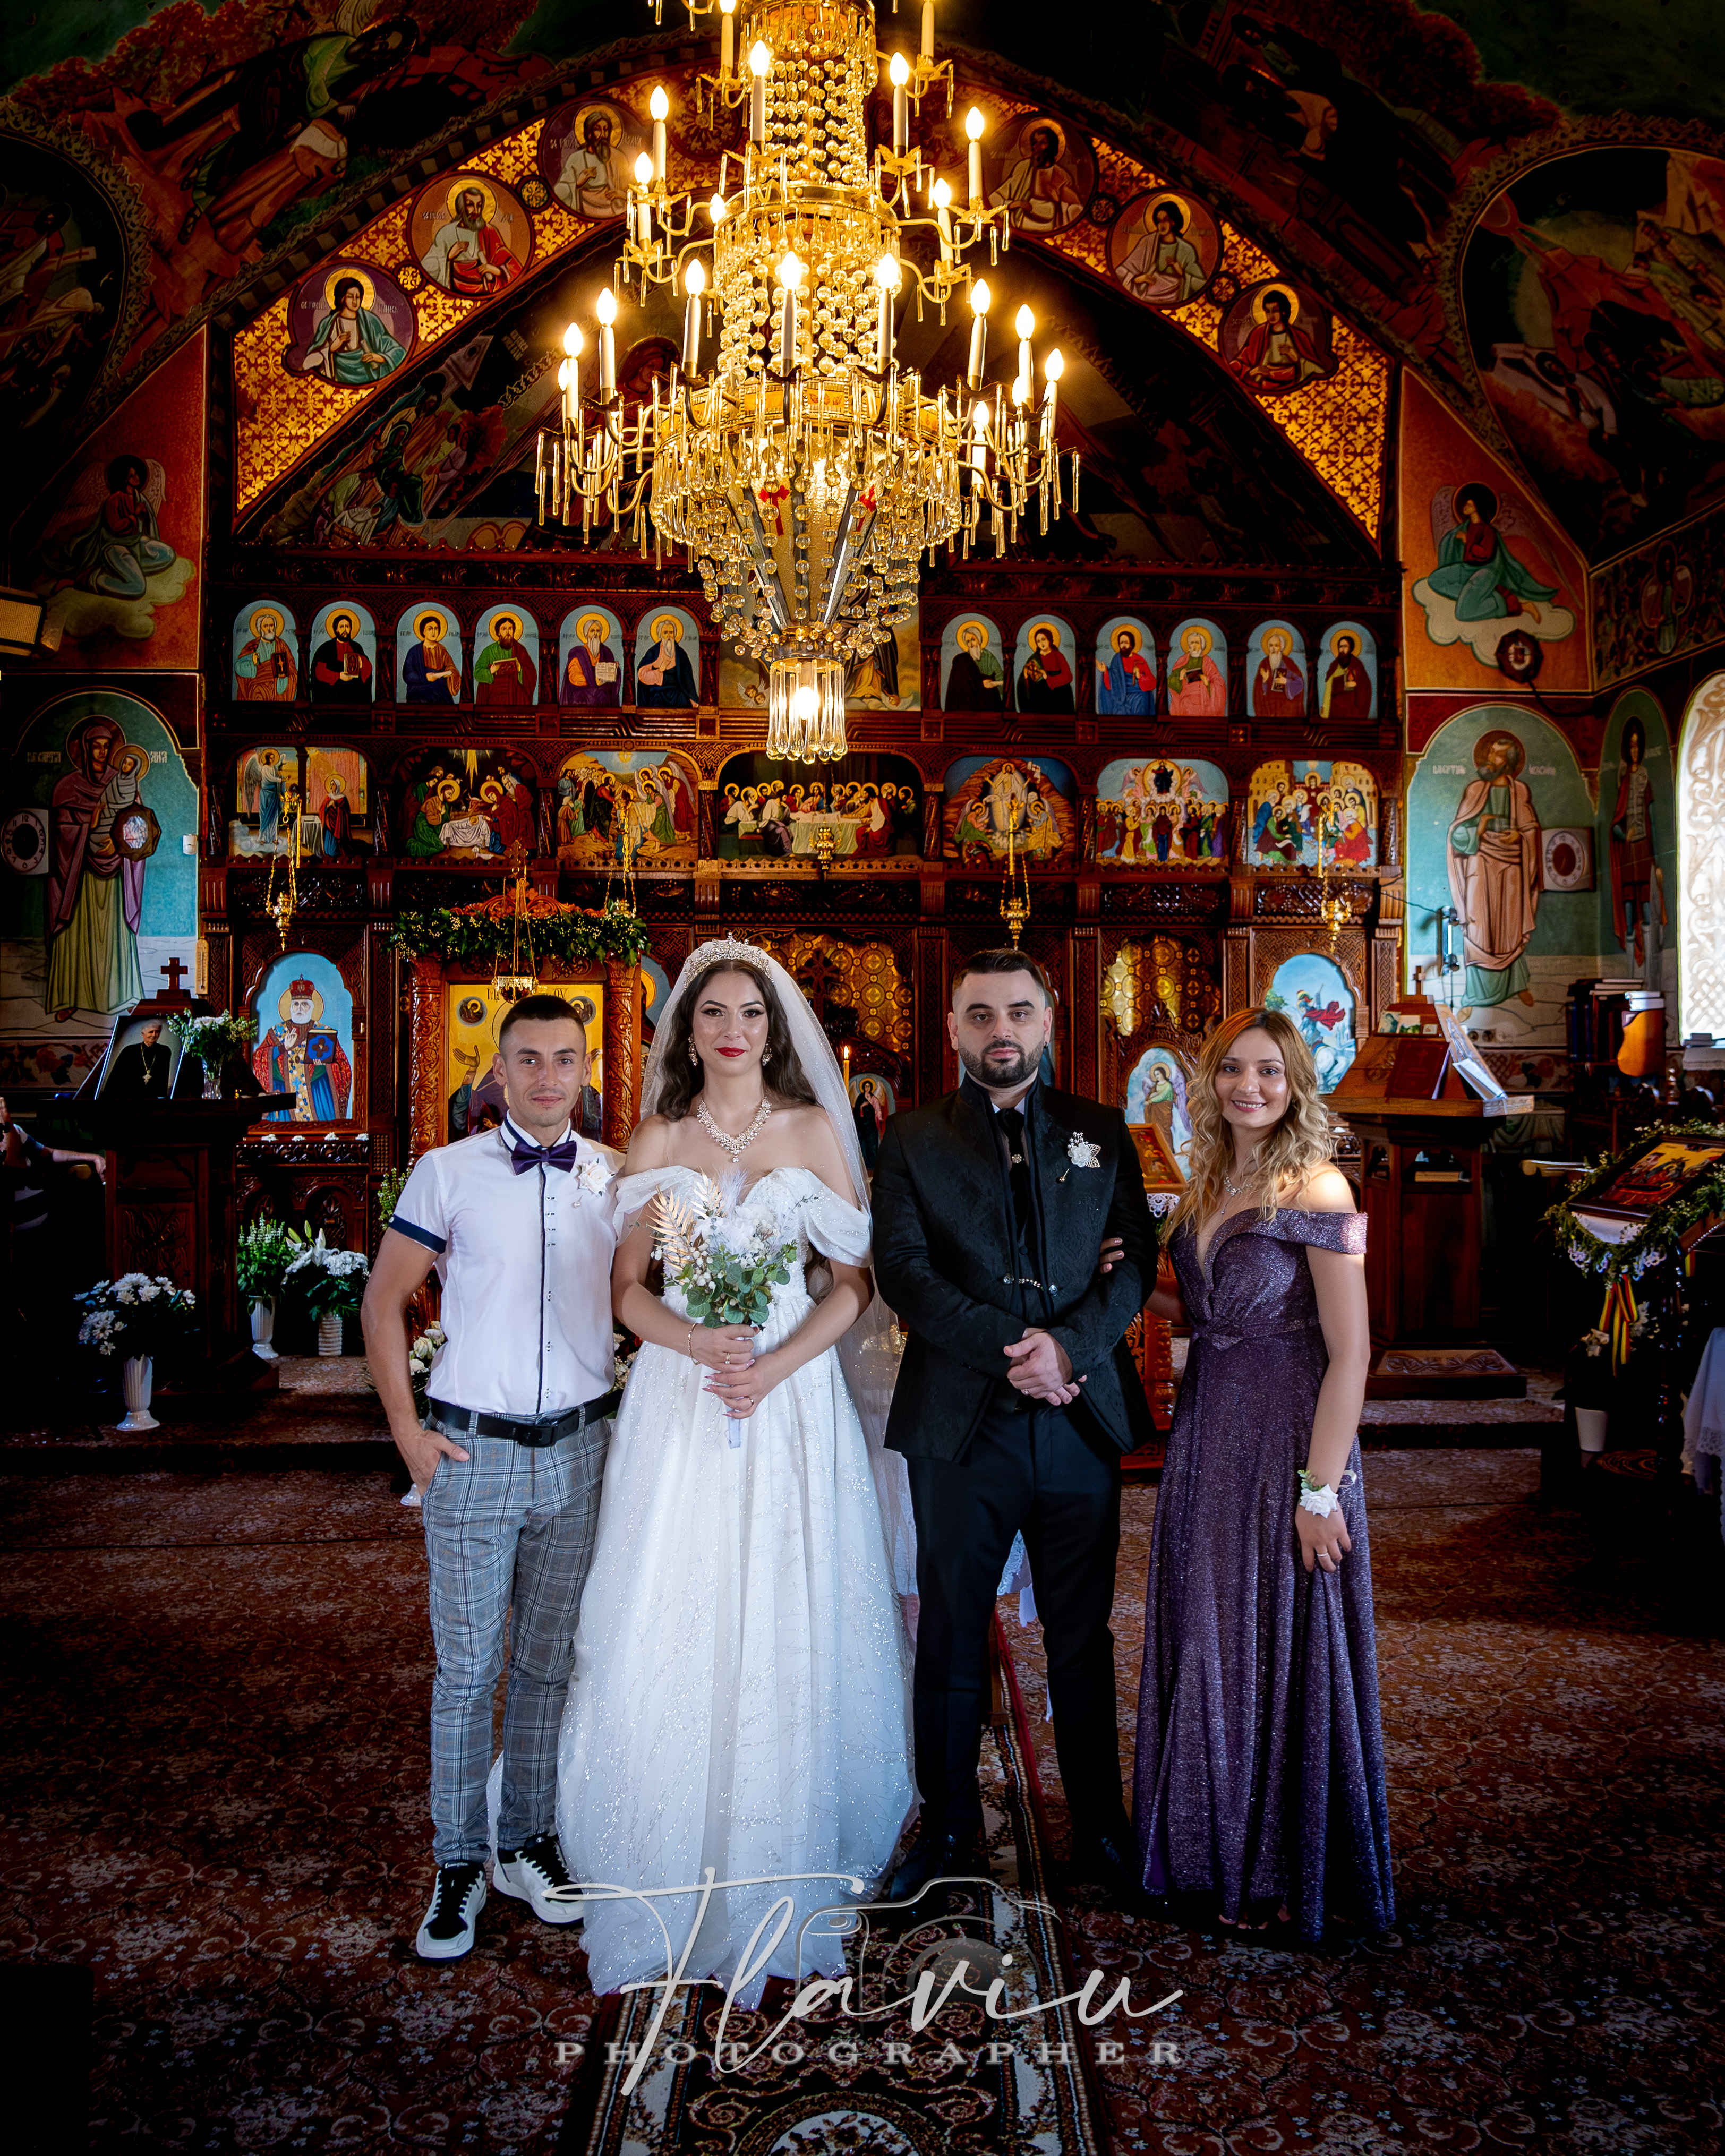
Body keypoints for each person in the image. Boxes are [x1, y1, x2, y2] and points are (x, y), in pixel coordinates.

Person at [557, 939, 915, 2006]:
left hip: (789, 1394)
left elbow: (853, 1282)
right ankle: (672, 1841)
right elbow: (626, 1285)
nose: (731, 1029)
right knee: (680, 1598)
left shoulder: (810, 1129)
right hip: (684, 1394)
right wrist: (691, 1341)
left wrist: (774, 1365)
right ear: (686, 1028)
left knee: (783, 1596)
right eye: (711, 1011)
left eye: (749, 1013)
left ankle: (779, 1839)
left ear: (773, 1028)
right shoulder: (658, 1137)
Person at [871, 951, 1156, 1907]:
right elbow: (905, 1273)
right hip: (962, 1424)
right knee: (952, 1629)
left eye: (1020, 1011)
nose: (1003, 1029)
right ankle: (949, 1829)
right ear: (953, 1027)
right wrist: (1016, 1352)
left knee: (1081, 1634)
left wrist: (1068, 1350)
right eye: (982, 1012)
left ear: (1048, 1019)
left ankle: (1101, 1829)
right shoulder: (912, 1139)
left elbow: (1134, 1262)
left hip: (1078, 1420)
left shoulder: (1099, 1131)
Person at [361, 996, 623, 1963]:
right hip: (472, 1454)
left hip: (583, 1452)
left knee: (550, 1664)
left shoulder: (618, 1177)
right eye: (529, 1060)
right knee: (469, 1673)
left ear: (586, 1071)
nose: (548, 1077)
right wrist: (407, 1432)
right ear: (499, 1073)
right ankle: (459, 1862)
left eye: (564, 1059)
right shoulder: (448, 1171)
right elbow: (383, 1300)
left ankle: (527, 1841)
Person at [1131, 1007, 1392, 1940]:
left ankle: (1281, 1866)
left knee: (1279, 1639)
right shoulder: (1209, 1181)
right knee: (1212, 1630)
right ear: (1209, 1082)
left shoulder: (1316, 1185)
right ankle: (1208, 1852)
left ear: (1294, 1085)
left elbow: (1352, 1354)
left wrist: (1320, 1491)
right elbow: (1202, 1310)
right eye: (1234, 1069)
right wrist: (1127, 1280)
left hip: (1289, 1436)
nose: (1250, 1086)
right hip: (1209, 1434)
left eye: (1270, 1072)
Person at [104, 1019, 176, 1101]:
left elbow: (163, 1079)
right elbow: (115, 1078)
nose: (154, 1035)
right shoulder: (129, 1051)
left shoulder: (164, 1051)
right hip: (130, 1097)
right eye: (151, 1032)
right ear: (143, 1033)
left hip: (152, 1098)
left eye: (158, 1031)